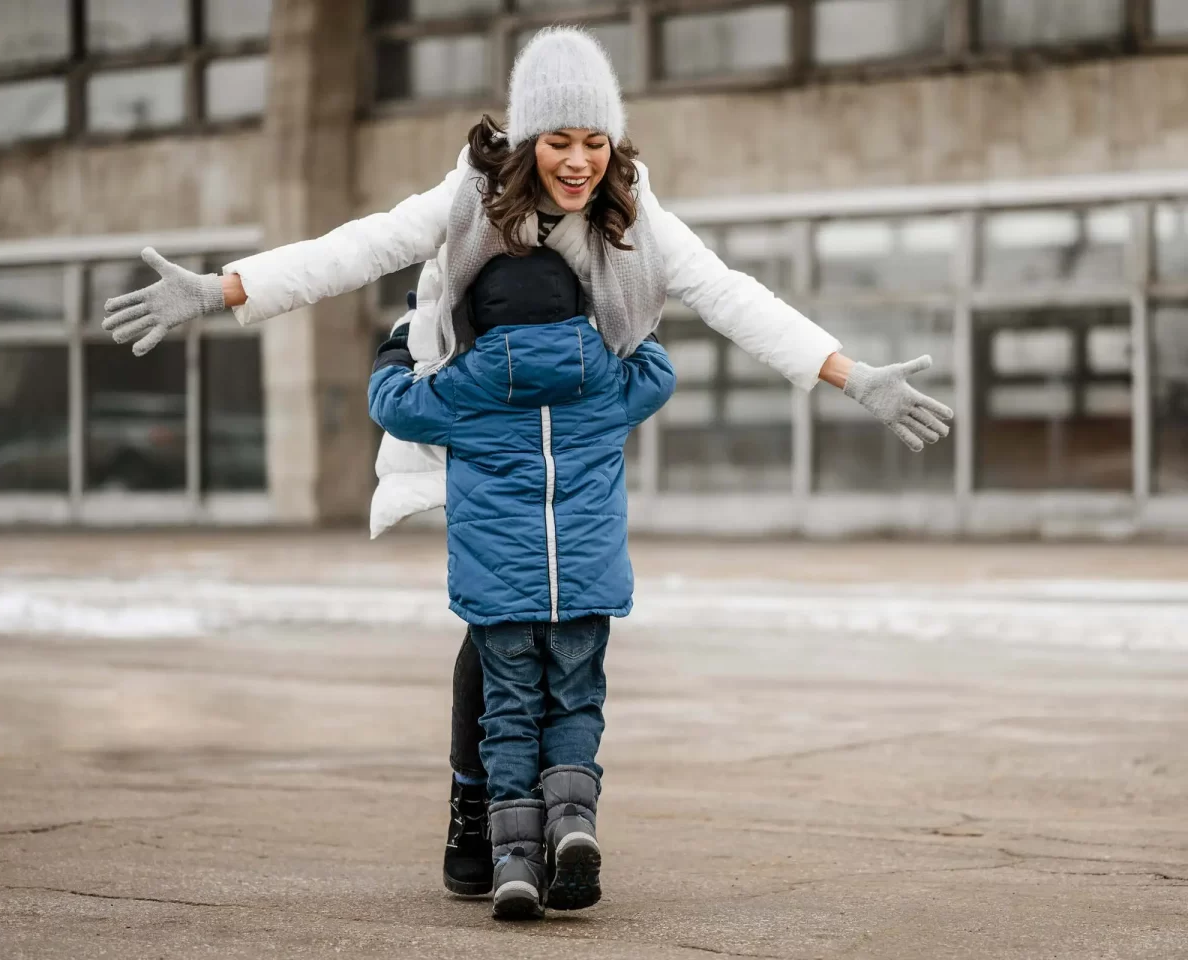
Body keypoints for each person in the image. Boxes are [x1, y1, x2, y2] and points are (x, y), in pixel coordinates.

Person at [101, 27, 953, 899]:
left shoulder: (633, 210)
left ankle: (498, 826)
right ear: (526, 139)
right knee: (498, 641)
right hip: (474, 407)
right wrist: (218, 288)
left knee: (500, 636)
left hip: (570, 427)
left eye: (594, 142)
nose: (578, 162)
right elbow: (355, 248)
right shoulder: (469, 195)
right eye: (559, 141)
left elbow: (732, 294)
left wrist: (850, 376)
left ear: (614, 143)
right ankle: (486, 812)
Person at [370, 245, 676, 919]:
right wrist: (629, 324)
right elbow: (658, 374)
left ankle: (513, 864)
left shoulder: (464, 384)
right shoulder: (605, 377)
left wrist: (399, 341)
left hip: (500, 594)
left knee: (506, 718)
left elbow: (392, 406)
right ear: (578, 305)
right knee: (573, 707)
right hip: (585, 587)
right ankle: (573, 821)